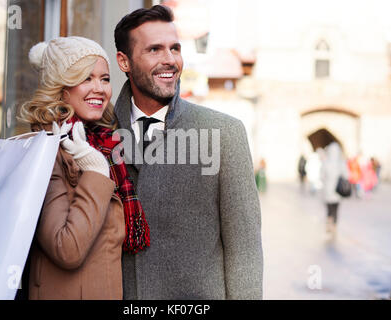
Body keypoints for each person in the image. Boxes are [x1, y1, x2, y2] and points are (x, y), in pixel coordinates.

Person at [113, 5, 263, 299]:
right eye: (154, 50)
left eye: (175, 48)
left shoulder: (224, 134)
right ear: (124, 61)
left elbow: (244, 249)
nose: (170, 60)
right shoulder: (96, 133)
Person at [18, 36, 150, 299]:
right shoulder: (46, 150)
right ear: (61, 88)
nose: (99, 88)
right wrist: (95, 171)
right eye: (85, 78)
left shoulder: (103, 144)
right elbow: (67, 248)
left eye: (104, 78)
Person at [320, 141, 348, 238]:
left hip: (328, 190)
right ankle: (334, 226)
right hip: (337, 191)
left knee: (329, 209)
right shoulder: (341, 163)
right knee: (336, 209)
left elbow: (322, 176)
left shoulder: (326, 162)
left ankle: (329, 222)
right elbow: (346, 175)